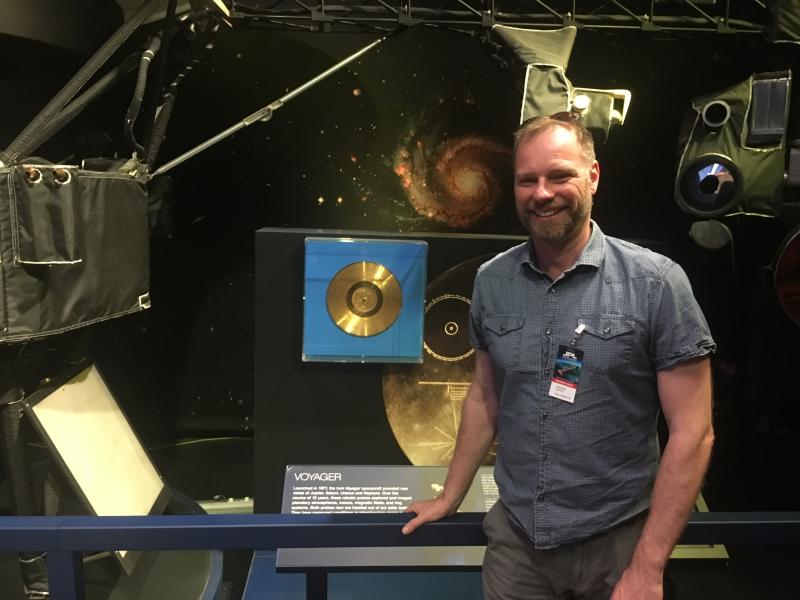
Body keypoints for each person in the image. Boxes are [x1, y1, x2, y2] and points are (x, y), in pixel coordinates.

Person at [401, 113, 716, 600]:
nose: (542, 193)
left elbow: (693, 433)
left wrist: (647, 567)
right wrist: (449, 496)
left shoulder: (656, 283)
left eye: (559, 175)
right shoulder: (492, 281)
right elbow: (484, 396)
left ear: (592, 175)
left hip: (619, 546)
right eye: (528, 180)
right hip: (517, 548)